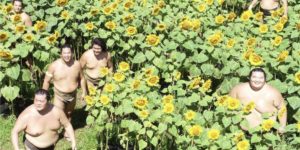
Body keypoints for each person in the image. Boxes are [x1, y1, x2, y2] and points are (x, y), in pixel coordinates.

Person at [11, 89, 76, 150]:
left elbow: (67, 125)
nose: (38, 103)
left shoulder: (57, 112)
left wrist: (73, 142)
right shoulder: (27, 115)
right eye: (36, 100)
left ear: (48, 101)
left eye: (41, 101)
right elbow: (15, 132)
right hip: (32, 146)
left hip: (51, 146)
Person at [229, 68, 287, 133]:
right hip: (240, 133)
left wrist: (282, 126)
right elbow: (227, 104)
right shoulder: (238, 89)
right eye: (254, 77)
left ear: (265, 79)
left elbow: (282, 108)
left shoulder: (273, 93)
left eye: (261, 78)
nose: (257, 80)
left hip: (265, 133)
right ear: (249, 78)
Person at [42, 44, 86, 124]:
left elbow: (82, 78)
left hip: (73, 95)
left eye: (69, 53)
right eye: (64, 53)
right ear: (61, 54)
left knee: (69, 114)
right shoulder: (53, 66)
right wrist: (43, 95)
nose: (67, 55)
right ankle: (54, 131)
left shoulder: (77, 65)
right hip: (59, 96)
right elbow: (46, 81)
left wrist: (84, 92)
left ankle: (66, 131)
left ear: (72, 53)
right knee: (58, 115)